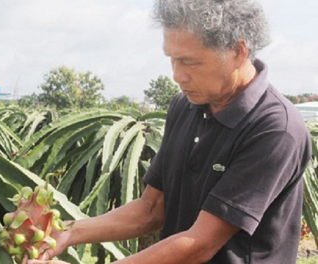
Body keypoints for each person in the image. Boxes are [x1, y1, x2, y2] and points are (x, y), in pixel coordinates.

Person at [25, 0, 313, 263]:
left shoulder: (274, 129)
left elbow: (201, 243)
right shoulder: (185, 105)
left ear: (238, 51)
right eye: (172, 59)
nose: (177, 75)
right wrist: (68, 232)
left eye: (190, 61)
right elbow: (151, 208)